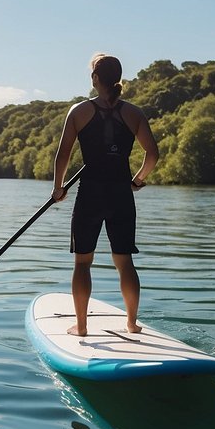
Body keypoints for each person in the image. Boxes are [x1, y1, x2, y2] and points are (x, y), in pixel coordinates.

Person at [51, 53, 159, 336]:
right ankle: (132, 323)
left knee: (83, 262)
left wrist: (58, 187)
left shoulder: (78, 111)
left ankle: (83, 327)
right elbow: (152, 154)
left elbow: (63, 155)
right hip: (122, 194)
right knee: (124, 262)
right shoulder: (134, 113)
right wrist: (138, 180)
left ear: (95, 79)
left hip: (90, 194)